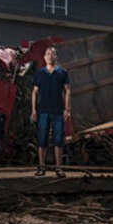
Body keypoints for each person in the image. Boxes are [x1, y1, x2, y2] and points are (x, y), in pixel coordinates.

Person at [31, 46, 71, 177]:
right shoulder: (39, 73)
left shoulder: (63, 73)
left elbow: (68, 90)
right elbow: (35, 92)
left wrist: (67, 109)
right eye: (48, 54)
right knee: (42, 139)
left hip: (58, 112)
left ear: (56, 57)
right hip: (43, 111)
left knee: (58, 140)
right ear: (44, 57)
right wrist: (33, 110)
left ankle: (58, 168)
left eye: (52, 54)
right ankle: (42, 168)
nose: (50, 56)